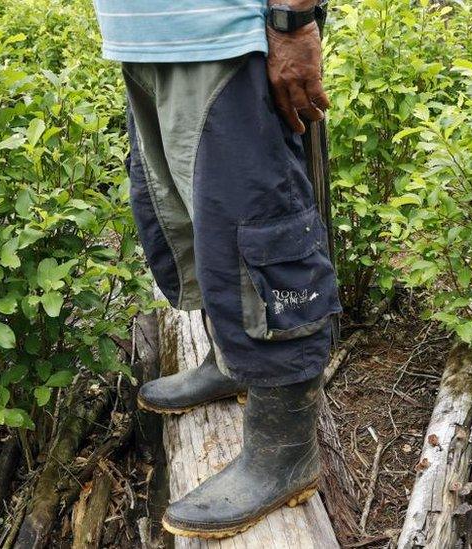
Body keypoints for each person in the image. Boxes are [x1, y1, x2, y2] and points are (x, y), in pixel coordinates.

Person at [92, 0, 341, 539]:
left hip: (227, 36)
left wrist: (292, 21)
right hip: (145, 39)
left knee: (260, 230)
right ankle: (230, 361)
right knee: (193, 218)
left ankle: (286, 453)